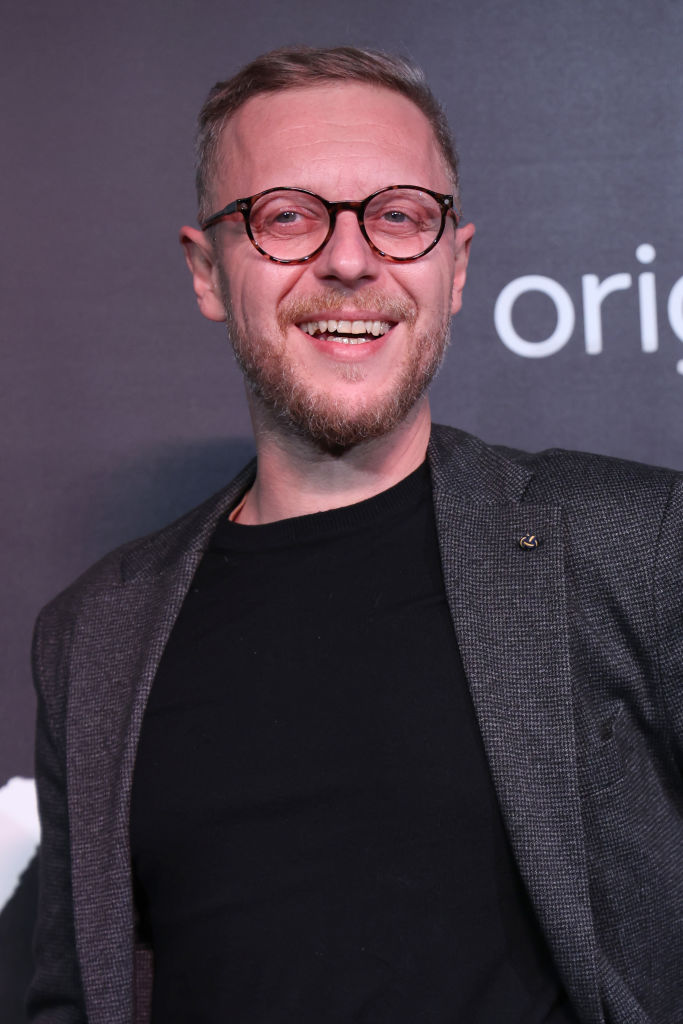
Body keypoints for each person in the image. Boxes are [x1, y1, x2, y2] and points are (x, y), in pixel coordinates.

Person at [28, 46, 681, 1024]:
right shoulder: (91, 639)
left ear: (455, 267)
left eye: (399, 216)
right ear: (207, 271)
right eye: (285, 216)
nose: (347, 258)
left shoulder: (632, 545)